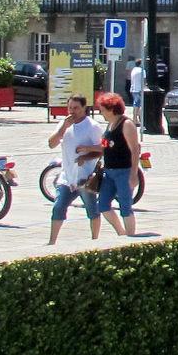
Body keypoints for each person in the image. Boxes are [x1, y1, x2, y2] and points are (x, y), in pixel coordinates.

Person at [47, 93, 108, 244]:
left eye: (76, 108)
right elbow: (51, 143)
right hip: (67, 177)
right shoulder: (64, 124)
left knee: (92, 209)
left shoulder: (92, 126)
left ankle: (95, 240)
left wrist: (86, 154)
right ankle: (52, 242)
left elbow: (104, 148)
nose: (72, 111)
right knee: (58, 207)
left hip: (85, 177)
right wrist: (63, 128)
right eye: (69, 108)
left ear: (84, 108)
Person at [92, 92, 142, 237]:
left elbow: (134, 150)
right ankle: (121, 232)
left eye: (102, 109)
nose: (101, 112)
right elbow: (105, 146)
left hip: (124, 171)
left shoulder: (126, 124)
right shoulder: (110, 124)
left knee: (125, 206)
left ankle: (131, 237)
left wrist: (133, 175)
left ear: (111, 108)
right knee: (102, 205)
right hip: (109, 172)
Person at [128, 57, 146, 124]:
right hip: (140, 89)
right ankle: (140, 119)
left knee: (135, 104)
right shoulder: (142, 71)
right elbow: (143, 81)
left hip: (133, 89)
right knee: (141, 105)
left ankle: (135, 119)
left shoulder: (133, 70)